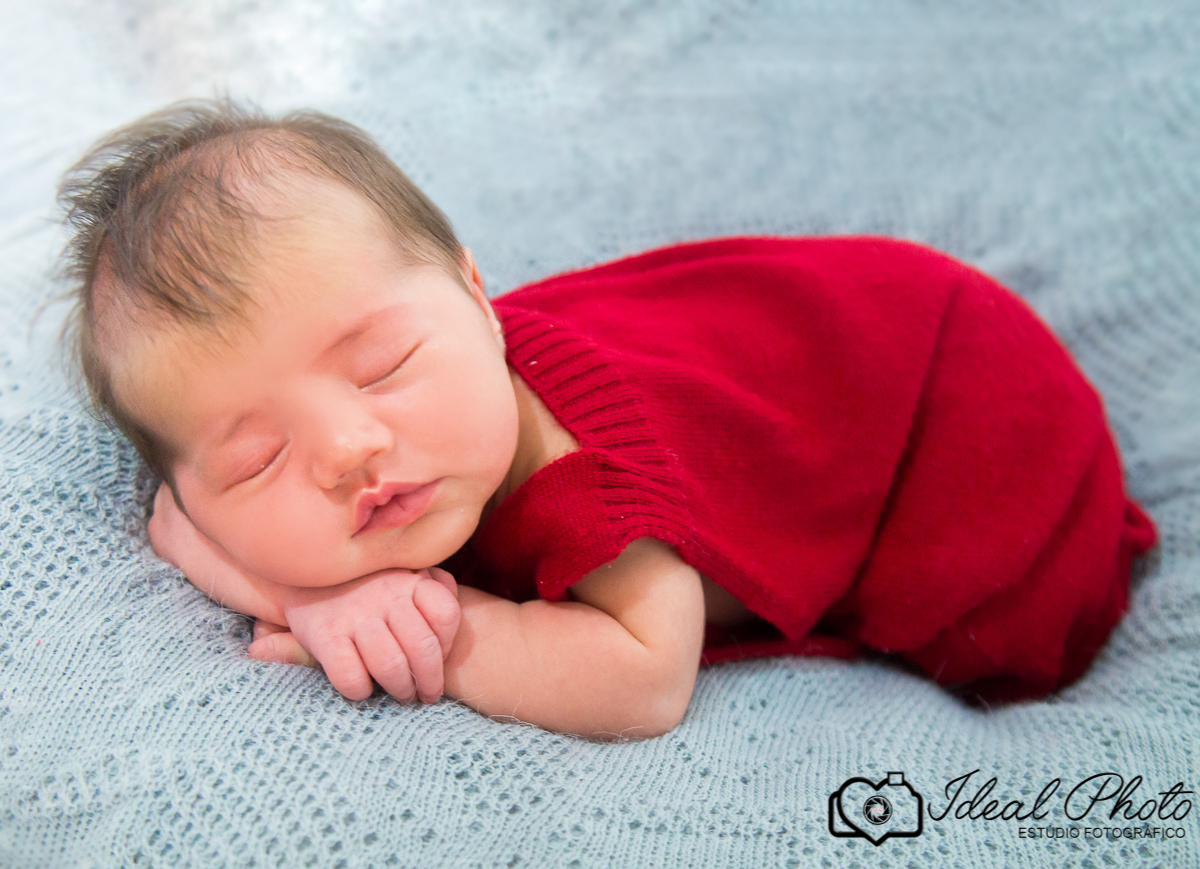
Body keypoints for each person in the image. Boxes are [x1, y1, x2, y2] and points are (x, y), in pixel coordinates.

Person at [58, 99, 1157, 740]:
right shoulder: (429, 426)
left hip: (961, 416)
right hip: (870, 342)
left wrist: (436, 627)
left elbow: (644, 676)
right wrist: (309, 591)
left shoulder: (586, 484)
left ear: (478, 297)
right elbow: (174, 521)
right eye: (259, 460)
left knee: (996, 628)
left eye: (385, 364)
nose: (349, 451)